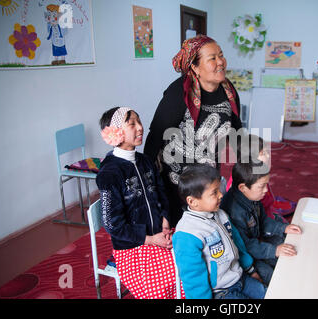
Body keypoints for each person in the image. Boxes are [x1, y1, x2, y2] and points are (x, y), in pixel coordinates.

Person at [144, 34, 242, 226]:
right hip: (176, 182)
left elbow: (237, 132)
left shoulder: (228, 91)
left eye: (221, 55)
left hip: (207, 178)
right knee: (182, 231)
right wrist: (147, 181)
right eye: (212, 58)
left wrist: (249, 167)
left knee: (207, 228)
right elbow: (156, 135)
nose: (220, 62)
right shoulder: (178, 93)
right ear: (195, 67)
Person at [96, 106, 184, 299]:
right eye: (132, 124)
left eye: (139, 121)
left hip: (159, 235)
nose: (140, 128)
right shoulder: (110, 174)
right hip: (133, 249)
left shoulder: (145, 161)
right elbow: (112, 225)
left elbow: (161, 193)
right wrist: (151, 240)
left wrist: (165, 221)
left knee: (195, 257)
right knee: (170, 278)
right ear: (115, 132)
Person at [172, 163, 266, 299]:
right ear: (193, 201)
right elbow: (193, 276)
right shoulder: (187, 234)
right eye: (214, 192)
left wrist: (250, 269)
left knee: (269, 292)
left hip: (239, 277)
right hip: (220, 292)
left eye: (219, 189)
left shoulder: (220, 214)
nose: (221, 195)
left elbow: (238, 243)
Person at [220, 161, 302, 286]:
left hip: (257, 242)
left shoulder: (253, 197)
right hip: (245, 257)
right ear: (242, 188)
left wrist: (283, 228)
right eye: (261, 186)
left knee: (288, 247)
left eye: (266, 185)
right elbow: (245, 246)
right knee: (270, 274)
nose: (265, 190)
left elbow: (263, 220)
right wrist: (274, 250)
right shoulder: (234, 211)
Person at [225, 134, 296, 223]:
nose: (269, 156)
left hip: (265, 213)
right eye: (263, 153)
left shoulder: (257, 174)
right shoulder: (244, 182)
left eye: (267, 152)